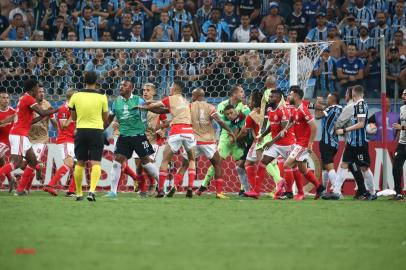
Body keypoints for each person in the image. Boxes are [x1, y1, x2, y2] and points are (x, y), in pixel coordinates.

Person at [171, 88, 234, 199]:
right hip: (208, 142)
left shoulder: (189, 106)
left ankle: (175, 186)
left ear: (195, 96)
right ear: (203, 96)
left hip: (192, 141)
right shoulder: (210, 107)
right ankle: (219, 192)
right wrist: (230, 131)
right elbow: (219, 121)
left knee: (185, 165)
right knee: (217, 164)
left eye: (192, 95)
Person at [139, 80, 196, 198]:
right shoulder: (186, 102)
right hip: (189, 131)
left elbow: (155, 106)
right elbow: (163, 109)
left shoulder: (170, 98)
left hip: (176, 130)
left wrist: (143, 106)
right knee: (191, 160)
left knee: (165, 160)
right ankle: (190, 187)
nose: (169, 88)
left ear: (175, 88)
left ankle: (160, 190)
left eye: (170, 86)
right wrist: (150, 104)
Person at [0, 79, 57, 196]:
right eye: (37, 88)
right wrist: (58, 109)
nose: (38, 90)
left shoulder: (24, 98)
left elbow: (31, 120)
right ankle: (23, 185)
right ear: (33, 89)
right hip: (18, 134)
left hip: (22, 135)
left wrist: (48, 112)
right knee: (16, 163)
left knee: (33, 161)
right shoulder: (28, 99)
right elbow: (42, 113)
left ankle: (21, 189)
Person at [103, 80, 159, 199]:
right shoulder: (116, 102)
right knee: (117, 162)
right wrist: (101, 130)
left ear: (131, 88)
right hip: (124, 136)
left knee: (146, 164)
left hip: (139, 135)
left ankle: (162, 185)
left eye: (124, 85)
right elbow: (109, 119)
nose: (121, 87)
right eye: (121, 85)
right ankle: (113, 192)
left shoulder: (139, 100)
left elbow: (153, 108)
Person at [198, 85, 250, 196]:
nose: (243, 94)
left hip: (239, 136)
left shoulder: (244, 106)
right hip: (226, 136)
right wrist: (238, 120)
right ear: (234, 94)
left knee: (242, 164)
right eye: (241, 92)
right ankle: (203, 185)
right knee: (217, 161)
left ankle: (243, 189)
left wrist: (237, 131)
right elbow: (224, 122)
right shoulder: (222, 105)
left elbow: (247, 117)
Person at [245, 89, 296, 199]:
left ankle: (290, 192)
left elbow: (283, 132)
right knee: (263, 163)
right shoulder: (269, 109)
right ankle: (256, 192)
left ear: (277, 98)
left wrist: (270, 142)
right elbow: (271, 125)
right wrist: (263, 135)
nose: (269, 98)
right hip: (275, 144)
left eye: (272, 97)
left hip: (287, 144)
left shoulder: (283, 110)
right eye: (269, 96)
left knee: (293, 168)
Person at [68, 71, 109, 202]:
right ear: (96, 81)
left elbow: (73, 117)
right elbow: (105, 117)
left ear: (83, 80)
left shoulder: (76, 96)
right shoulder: (102, 96)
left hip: (81, 131)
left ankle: (79, 193)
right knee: (96, 162)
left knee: (80, 162)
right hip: (96, 131)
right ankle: (91, 191)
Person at [335, 85, 377, 200]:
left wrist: (344, 130)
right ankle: (336, 192)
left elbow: (361, 124)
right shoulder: (357, 105)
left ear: (353, 94)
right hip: (351, 143)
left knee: (364, 168)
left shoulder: (361, 105)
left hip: (359, 143)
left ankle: (373, 193)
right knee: (344, 165)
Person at [283, 86, 325, 200]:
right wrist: (286, 129)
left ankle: (288, 192)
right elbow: (292, 120)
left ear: (296, 96)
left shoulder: (303, 109)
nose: (289, 96)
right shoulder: (295, 109)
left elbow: (314, 127)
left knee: (287, 165)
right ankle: (319, 188)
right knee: (302, 169)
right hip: (299, 142)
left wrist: (310, 143)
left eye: (291, 94)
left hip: (303, 144)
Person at [43, 89, 77, 197]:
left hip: (72, 139)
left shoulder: (74, 109)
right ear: (71, 98)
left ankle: (71, 191)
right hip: (65, 140)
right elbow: (63, 126)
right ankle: (50, 185)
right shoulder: (64, 109)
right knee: (69, 164)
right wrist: (72, 116)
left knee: (78, 166)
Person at [27, 86, 58, 188]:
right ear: (34, 93)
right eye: (39, 91)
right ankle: (38, 167)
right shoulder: (30, 104)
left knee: (32, 162)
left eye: (43, 91)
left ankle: (24, 188)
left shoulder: (47, 104)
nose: (42, 93)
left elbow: (54, 122)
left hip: (41, 138)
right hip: (29, 137)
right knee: (27, 163)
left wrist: (59, 129)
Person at [314, 93, 343, 195]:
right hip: (335, 143)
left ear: (333, 99)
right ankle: (324, 191)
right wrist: (321, 104)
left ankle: (337, 191)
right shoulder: (340, 109)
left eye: (328, 98)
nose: (327, 100)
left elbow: (317, 116)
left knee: (329, 167)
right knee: (324, 166)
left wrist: (318, 103)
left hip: (327, 141)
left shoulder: (331, 109)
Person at [392, 89, 406, 200]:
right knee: (396, 168)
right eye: (402, 94)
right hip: (402, 144)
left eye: (405, 94)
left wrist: (401, 127)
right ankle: (398, 193)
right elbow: (401, 125)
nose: (402, 96)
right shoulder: (402, 108)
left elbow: (401, 126)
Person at [0, 92, 16, 191]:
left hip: (7, 140)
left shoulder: (13, 112)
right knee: (1, 162)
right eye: (3, 98)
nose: (6, 100)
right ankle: (11, 179)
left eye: (7, 98)